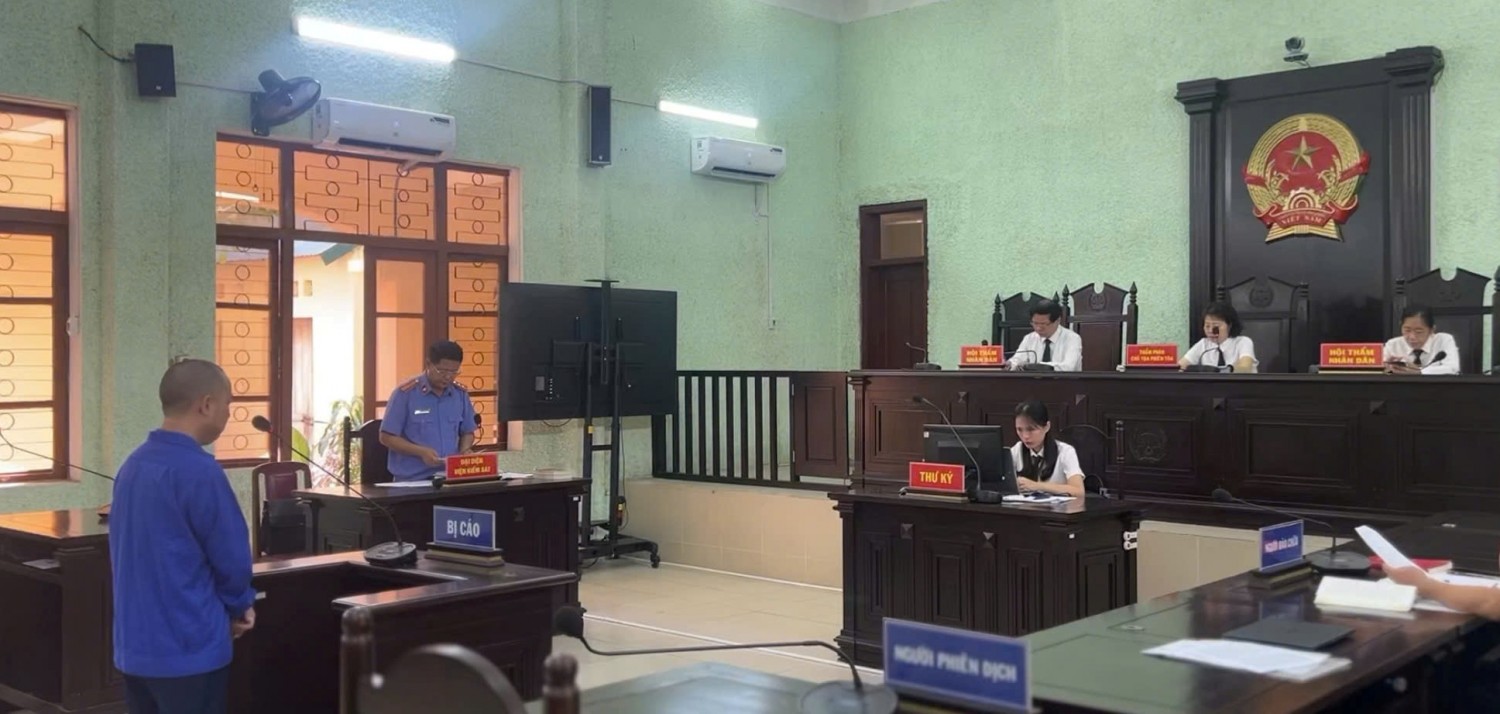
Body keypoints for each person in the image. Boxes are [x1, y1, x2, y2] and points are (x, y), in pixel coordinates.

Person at [110, 359, 255, 714]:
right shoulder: (200, 472)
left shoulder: (132, 466)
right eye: (227, 404)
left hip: (135, 648)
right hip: (190, 648)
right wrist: (240, 605)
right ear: (206, 404)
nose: (228, 414)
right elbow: (231, 556)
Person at [380, 340, 477, 482]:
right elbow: (386, 437)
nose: (448, 377)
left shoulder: (460, 394)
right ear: (428, 364)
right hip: (413, 481)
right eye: (442, 371)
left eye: (454, 372)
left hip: (450, 477)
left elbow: (467, 431)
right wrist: (421, 452)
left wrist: (465, 450)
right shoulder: (405, 393)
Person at [1009, 400, 1085, 497]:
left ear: (1047, 427)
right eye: (1019, 429)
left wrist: (1037, 486)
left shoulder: (1065, 451)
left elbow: (1078, 491)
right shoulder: (1016, 450)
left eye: (1031, 429)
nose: (1025, 436)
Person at [1180, 301, 1257, 373]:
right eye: (1207, 326)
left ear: (1229, 325)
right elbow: (1181, 367)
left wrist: (1224, 370)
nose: (1210, 331)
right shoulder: (1203, 344)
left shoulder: (1243, 342)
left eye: (1216, 326)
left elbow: (1245, 368)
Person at [1006, 299, 1082, 372]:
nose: (1038, 328)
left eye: (1043, 324)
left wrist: (1039, 366)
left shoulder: (1072, 338)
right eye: (1035, 323)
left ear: (1058, 320)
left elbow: (1069, 367)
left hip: (1064, 380)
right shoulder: (1029, 338)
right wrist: (1010, 364)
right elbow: (1018, 359)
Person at [1383, 305, 1460, 375]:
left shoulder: (1443, 340)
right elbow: (1381, 371)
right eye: (1407, 330)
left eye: (1418, 332)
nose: (1412, 337)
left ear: (1432, 330)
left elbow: (1453, 368)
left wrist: (1420, 372)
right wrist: (1388, 369)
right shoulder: (1393, 345)